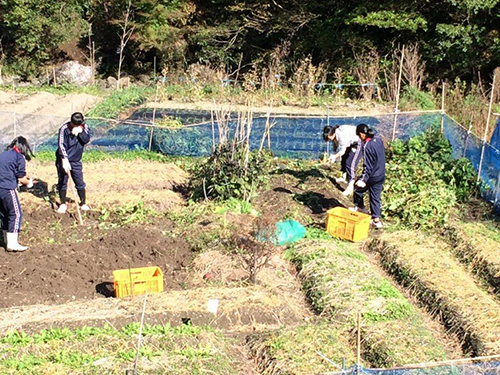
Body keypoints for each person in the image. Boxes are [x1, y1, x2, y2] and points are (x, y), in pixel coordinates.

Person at [0, 137, 35, 251]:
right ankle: (12, 244)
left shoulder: (4, 154)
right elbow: (21, 177)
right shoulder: (19, 157)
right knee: (16, 213)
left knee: (4, 213)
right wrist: (29, 183)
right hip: (7, 188)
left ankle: (6, 240)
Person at [55, 112, 90, 214]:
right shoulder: (64, 129)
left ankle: (83, 203)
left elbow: (86, 140)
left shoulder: (84, 127)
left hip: (76, 160)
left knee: (79, 182)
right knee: (63, 181)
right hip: (63, 159)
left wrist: (81, 132)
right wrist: (64, 159)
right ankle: (62, 203)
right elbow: (61, 145)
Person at [352, 124, 386, 229]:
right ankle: (376, 221)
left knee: (358, 189)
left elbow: (368, 165)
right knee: (375, 197)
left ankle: (359, 208)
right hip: (381, 174)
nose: (359, 138)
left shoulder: (367, 146)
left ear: (362, 134)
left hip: (372, 176)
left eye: (359, 136)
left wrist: (363, 179)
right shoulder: (378, 140)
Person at [323, 125, 363, 196]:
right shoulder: (336, 133)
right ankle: (344, 177)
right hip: (350, 142)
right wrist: (333, 156)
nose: (329, 140)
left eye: (329, 138)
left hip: (358, 142)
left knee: (350, 163)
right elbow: (336, 148)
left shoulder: (341, 136)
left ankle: (351, 186)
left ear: (332, 134)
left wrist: (334, 156)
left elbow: (342, 151)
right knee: (344, 158)